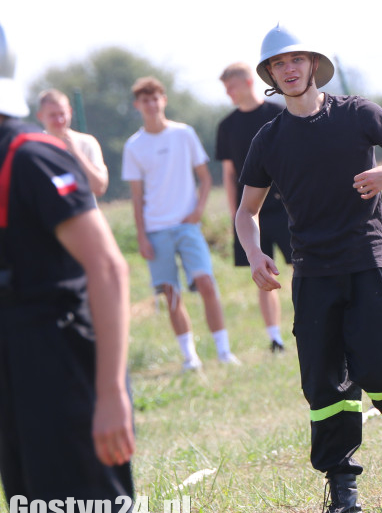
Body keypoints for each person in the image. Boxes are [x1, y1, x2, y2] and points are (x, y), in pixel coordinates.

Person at [236, 25, 382, 513]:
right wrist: (254, 253)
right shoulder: (269, 139)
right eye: (280, 64)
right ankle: (344, 496)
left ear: (314, 65)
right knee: (325, 385)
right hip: (313, 276)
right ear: (271, 75)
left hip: (368, 262)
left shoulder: (357, 113)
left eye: (298, 59)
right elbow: (246, 211)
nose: (290, 69)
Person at [0, 77, 135, 513]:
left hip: (62, 368)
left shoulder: (30, 157)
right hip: (13, 371)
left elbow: (108, 269)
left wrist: (112, 394)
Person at [122, 76, 239, 371]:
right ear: (138, 105)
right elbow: (136, 197)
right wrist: (141, 236)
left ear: (164, 100)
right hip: (155, 228)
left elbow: (205, 177)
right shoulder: (134, 146)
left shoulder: (183, 134)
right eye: (144, 100)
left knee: (206, 283)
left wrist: (198, 210)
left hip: (187, 225)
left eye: (155, 98)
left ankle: (223, 352)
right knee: (171, 293)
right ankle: (190, 357)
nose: (151, 104)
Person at [216, 62, 289, 353]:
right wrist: (238, 215)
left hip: (286, 208)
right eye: (225, 89)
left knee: (305, 269)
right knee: (262, 273)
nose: (228, 93)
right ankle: (275, 338)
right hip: (251, 213)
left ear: (248, 83)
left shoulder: (279, 113)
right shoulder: (226, 126)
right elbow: (229, 173)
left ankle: (311, 325)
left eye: (231, 86)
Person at [36, 88, 110, 197]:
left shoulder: (87, 142)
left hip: (83, 213)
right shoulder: (35, 148)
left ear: (70, 112)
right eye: (52, 115)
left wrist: (76, 152)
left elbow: (99, 187)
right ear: (40, 116)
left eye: (62, 114)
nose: (59, 120)